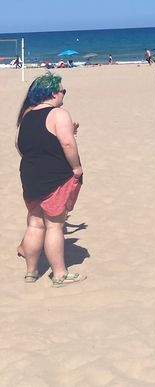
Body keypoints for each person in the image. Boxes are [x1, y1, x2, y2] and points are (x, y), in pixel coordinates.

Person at [15, 73, 86, 287]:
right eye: (63, 90)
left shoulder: (26, 114)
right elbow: (67, 145)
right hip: (54, 177)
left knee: (35, 224)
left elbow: (20, 145)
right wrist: (77, 167)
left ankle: (31, 271)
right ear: (53, 93)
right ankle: (59, 274)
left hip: (30, 176)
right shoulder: (58, 114)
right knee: (54, 225)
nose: (63, 94)